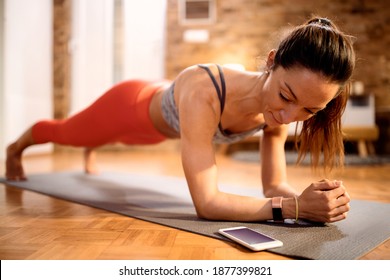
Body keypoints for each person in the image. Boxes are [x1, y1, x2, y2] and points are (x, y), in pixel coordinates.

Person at [5, 16, 355, 224]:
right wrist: (292, 209)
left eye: (309, 111)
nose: (287, 117)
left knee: (122, 139)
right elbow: (207, 203)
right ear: (271, 61)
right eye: (286, 96)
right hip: (130, 104)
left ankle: (91, 149)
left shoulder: (280, 111)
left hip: (158, 131)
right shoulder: (206, 91)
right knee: (67, 132)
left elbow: (273, 187)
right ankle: (15, 148)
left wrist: (310, 200)